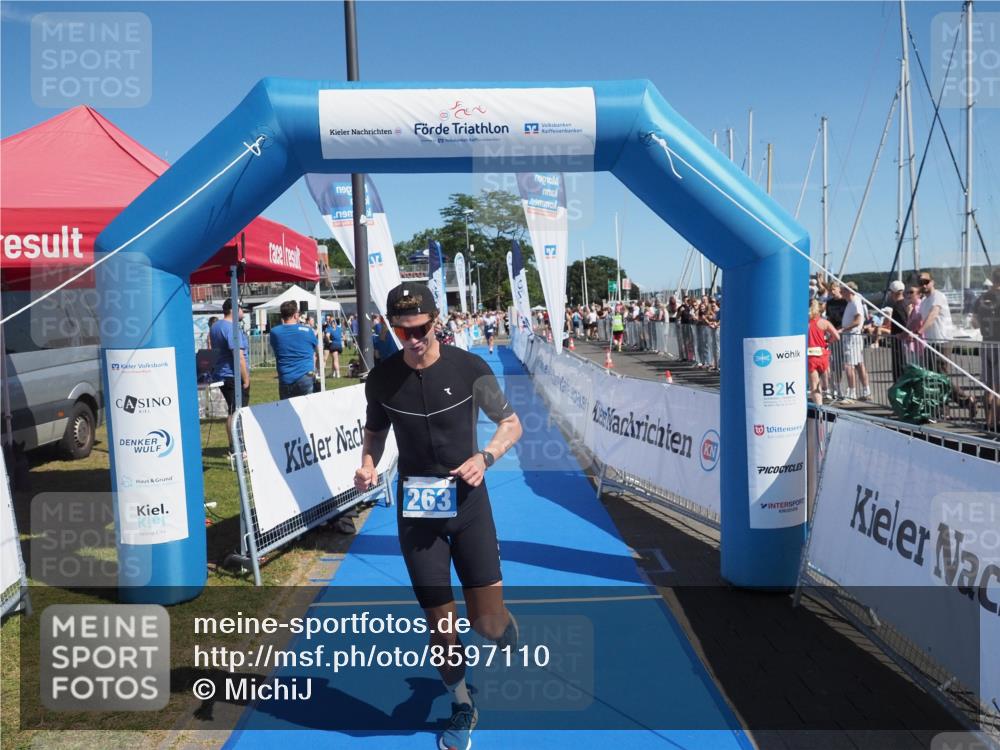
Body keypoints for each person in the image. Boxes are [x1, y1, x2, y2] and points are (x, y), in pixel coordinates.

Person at [354, 282, 523, 750]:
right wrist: (368, 464)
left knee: (485, 625)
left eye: (421, 328)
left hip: (468, 506)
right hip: (417, 515)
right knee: (440, 625)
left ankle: (499, 622)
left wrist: (485, 457)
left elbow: (512, 424)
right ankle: (461, 702)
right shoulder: (382, 379)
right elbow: (374, 433)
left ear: (436, 322)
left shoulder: (470, 368)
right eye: (402, 330)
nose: (412, 338)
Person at [918, 272, 974, 418]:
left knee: (941, 377)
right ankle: (944, 409)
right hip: (930, 342)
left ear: (932, 282)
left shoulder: (938, 296)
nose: (924, 285)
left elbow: (933, 314)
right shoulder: (924, 301)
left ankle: (965, 400)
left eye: (926, 281)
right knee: (933, 378)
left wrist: (920, 331)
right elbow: (918, 318)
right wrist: (906, 333)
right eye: (921, 282)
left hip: (942, 341)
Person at [210, 298, 250, 455]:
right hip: (233, 375)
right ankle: (238, 447)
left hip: (222, 374)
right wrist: (245, 378)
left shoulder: (216, 326)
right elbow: (238, 356)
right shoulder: (230, 328)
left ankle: (234, 446)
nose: (244, 312)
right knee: (238, 413)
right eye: (242, 309)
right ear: (234, 310)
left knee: (233, 411)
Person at [269, 301, 319, 400]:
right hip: (305, 376)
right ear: (296, 315)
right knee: (308, 411)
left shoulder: (274, 332)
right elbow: (317, 350)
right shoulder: (308, 331)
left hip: (285, 377)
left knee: (287, 412)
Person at [971, 267, 1000, 430]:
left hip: (986, 343)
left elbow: (974, 323)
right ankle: (995, 422)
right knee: (999, 387)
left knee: (988, 386)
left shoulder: (982, 298)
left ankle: (987, 421)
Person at [839, 283, 870, 402]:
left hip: (852, 337)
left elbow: (858, 320)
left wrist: (843, 329)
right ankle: (866, 390)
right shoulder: (852, 302)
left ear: (849, 291)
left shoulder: (855, 302)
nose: (841, 292)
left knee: (849, 365)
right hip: (852, 337)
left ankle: (852, 392)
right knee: (858, 364)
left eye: (843, 290)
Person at [808, 300, 840, 405]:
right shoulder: (824, 322)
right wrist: (827, 341)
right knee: (823, 379)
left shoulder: (804, 323)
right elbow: (837, 336)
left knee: (814, 387)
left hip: (811, 356)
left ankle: (820, 412)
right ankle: (827, 388)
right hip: (823, 355)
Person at [886, 280, 910, 384]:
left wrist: (901, 335)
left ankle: (899, 387)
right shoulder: (905, 303)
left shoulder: (898, 306)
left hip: (899, 341)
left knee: (899, 366)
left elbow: (905, 323)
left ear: (893, 293)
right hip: (901, 340)